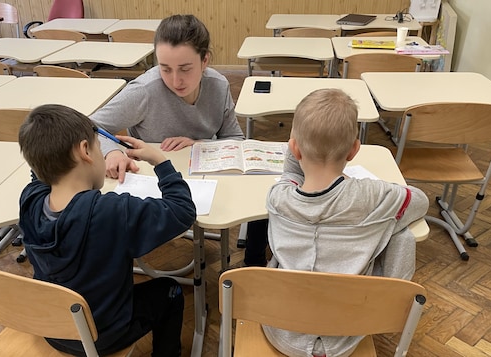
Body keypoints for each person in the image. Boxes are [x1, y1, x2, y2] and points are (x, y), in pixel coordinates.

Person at [18, 104, 197, 357]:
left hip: (54, 327)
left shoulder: (30, 200)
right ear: (85, 151)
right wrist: (160, 160)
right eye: (100, 147)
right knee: (169, 290)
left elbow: (37, 175)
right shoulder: (111, 211)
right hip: (102, 335)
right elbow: (182, 211)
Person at [89, 13, 267, 267]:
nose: (175, 80)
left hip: (201, 178)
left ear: (205, 60)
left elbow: (234, 139)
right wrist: (112, 152)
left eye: (185, 69)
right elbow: (91, 127)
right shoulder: (145, 90)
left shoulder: (218, 86)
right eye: (165, 69)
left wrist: (199, 143)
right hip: (153, 186)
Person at [263, 89, 428, 357]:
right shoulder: (372, 197)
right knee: (399, 232)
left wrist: (298, 145)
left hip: (283, 331)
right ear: (354, 150)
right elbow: (419, 202)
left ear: (294, 148)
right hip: (346, 334)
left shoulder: (278, 199)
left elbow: (289, 174)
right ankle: (390, 307)